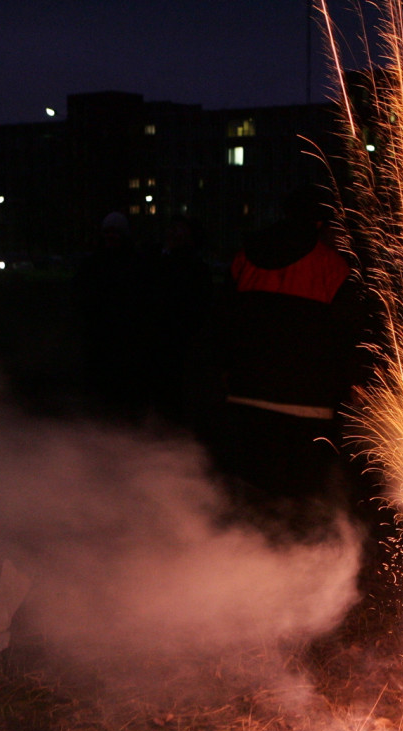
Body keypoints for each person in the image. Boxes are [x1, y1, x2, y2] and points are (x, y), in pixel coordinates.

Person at [211, 186, 365, 513]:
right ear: (321, 223)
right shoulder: (332, 268)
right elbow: (347, 337)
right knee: (300, 500)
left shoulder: (244, 258)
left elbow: (222, 324)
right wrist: (349, 389)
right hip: (307, 406)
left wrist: (224, 375)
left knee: (251, 496)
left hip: (246, 395)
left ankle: (240, 556)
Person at [73, 212, 156, 423]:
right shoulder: (94, 265)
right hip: (100, 343)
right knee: (102, 400)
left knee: (122, 399)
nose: (111, 236)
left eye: (115, 232)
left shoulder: (135, 265)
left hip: (127, 344)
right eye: (108, 232)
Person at [149, 215, 214, 430]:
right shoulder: (167, 263)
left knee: (173, 391)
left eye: (179, 230)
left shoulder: (185, 267)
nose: (173, 233)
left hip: (176, 338)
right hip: (169, 337)